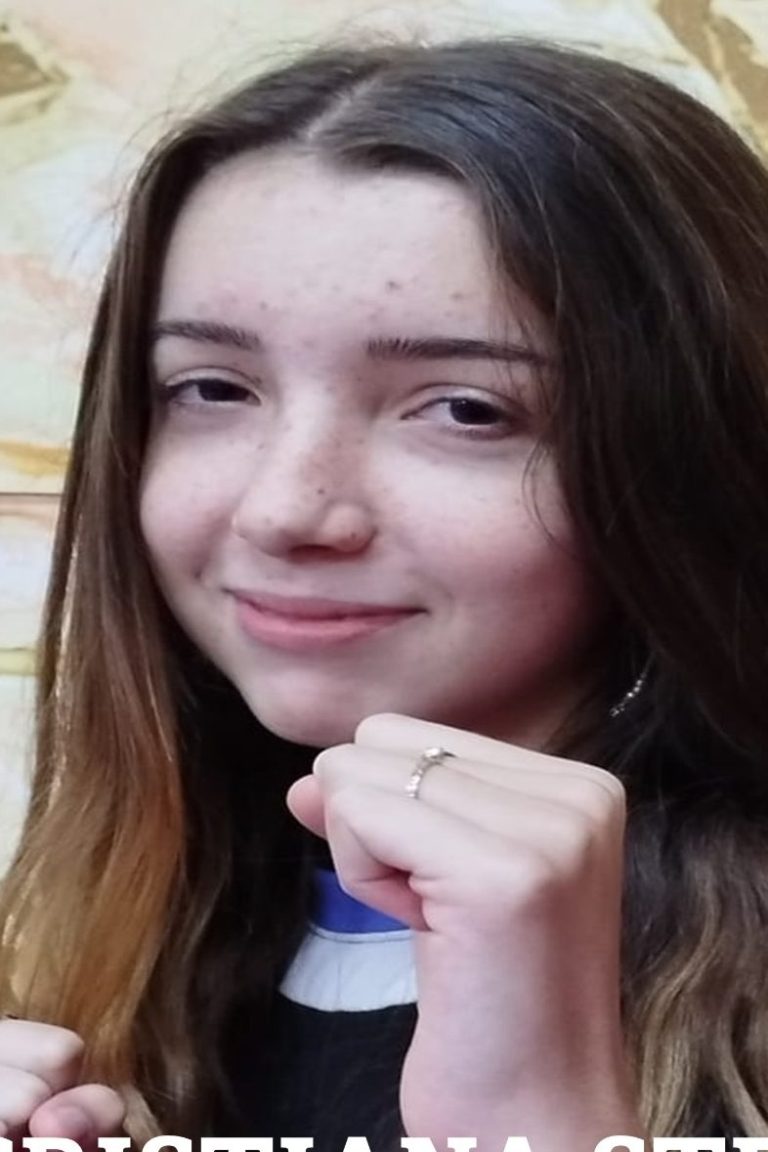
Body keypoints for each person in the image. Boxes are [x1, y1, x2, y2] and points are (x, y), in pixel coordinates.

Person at [1, 34, 768, 1151]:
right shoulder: (93, 944)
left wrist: (540, 1123)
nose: (284, 509)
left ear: (690, 463)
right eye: (213, 389)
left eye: (465, 409)